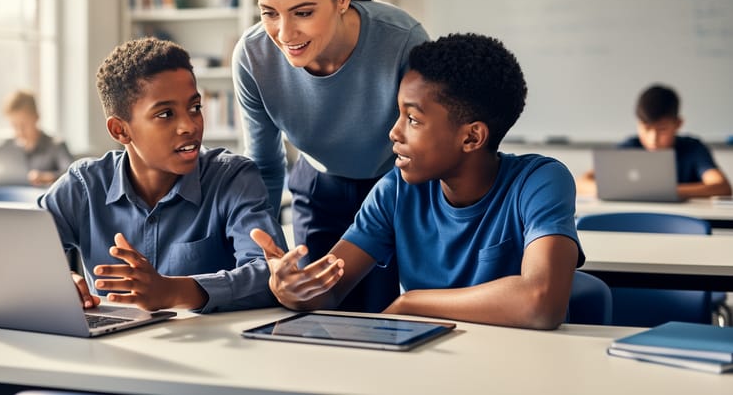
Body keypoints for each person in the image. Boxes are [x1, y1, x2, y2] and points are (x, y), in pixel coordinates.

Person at [251, 33, 585, 330]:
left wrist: (413, 303)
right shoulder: (395, 191)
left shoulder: (540, 181)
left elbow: (541, 303)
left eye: (412, 118)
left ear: (472, 137)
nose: (394, 132)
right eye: (398, 114)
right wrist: (291, 288)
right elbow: (329, 292)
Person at [232, 0, 429, 312]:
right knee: (313, 311)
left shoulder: (402, 41)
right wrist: (264, 254)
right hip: (318, 190)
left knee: (382, 312)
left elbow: (426, 148)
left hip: (396, 187)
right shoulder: (253, 58)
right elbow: (266, 167)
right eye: (269, 12)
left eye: (302, 12)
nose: (285, 33)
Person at [39, 37, 288, 313]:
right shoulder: (83, 186)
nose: (189, 126)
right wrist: (59, 281)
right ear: (120, 130)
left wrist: (174, 292)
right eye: (166, 114)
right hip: (107, 349)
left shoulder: (233, 179)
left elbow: (273, 275)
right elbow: (19, 253)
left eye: (195, 108)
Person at [576, 84, 731, 199]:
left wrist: (664, 192)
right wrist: (614, 190)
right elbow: (582, 182)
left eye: (662, 129)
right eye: (646, 128)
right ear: (638, 123)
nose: (653, 138)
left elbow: (721, 187)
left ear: (678, 124)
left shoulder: (693, 149)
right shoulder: (629, 148)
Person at [2, 89, 75, 186]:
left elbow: (71, 174)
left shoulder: (56, 145)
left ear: (36, 117)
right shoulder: (7, 147)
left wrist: (45, 177)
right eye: (14, 126)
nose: (20, 131)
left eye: (24, 125)